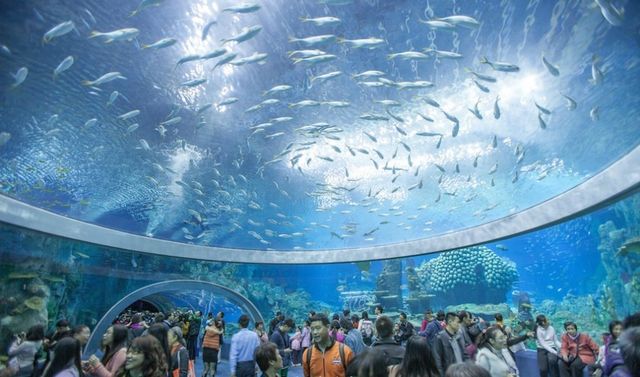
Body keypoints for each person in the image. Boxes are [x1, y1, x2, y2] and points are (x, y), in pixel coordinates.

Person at [433, 312, 468, 377]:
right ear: (450, 322)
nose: (459, 325)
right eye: (458, 322)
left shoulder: (459, 336)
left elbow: (465, 354)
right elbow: (437, 362)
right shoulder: (439, 338)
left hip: (462, 373)